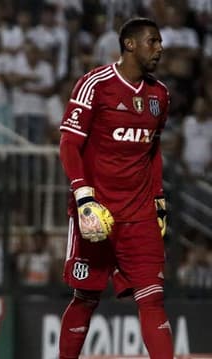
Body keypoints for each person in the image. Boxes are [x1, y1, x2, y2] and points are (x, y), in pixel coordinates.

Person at [57, 18, 172, 358]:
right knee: (86, 297)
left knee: (152, 297)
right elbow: (68, 143)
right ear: (130, 44)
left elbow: (153, 151)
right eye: (153, 41)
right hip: (97, 213)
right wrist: (83, 196)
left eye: (160, 41)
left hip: (139, 215)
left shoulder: (160, 95)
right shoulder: (96, 84)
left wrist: (159, 200)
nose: (160, 48)